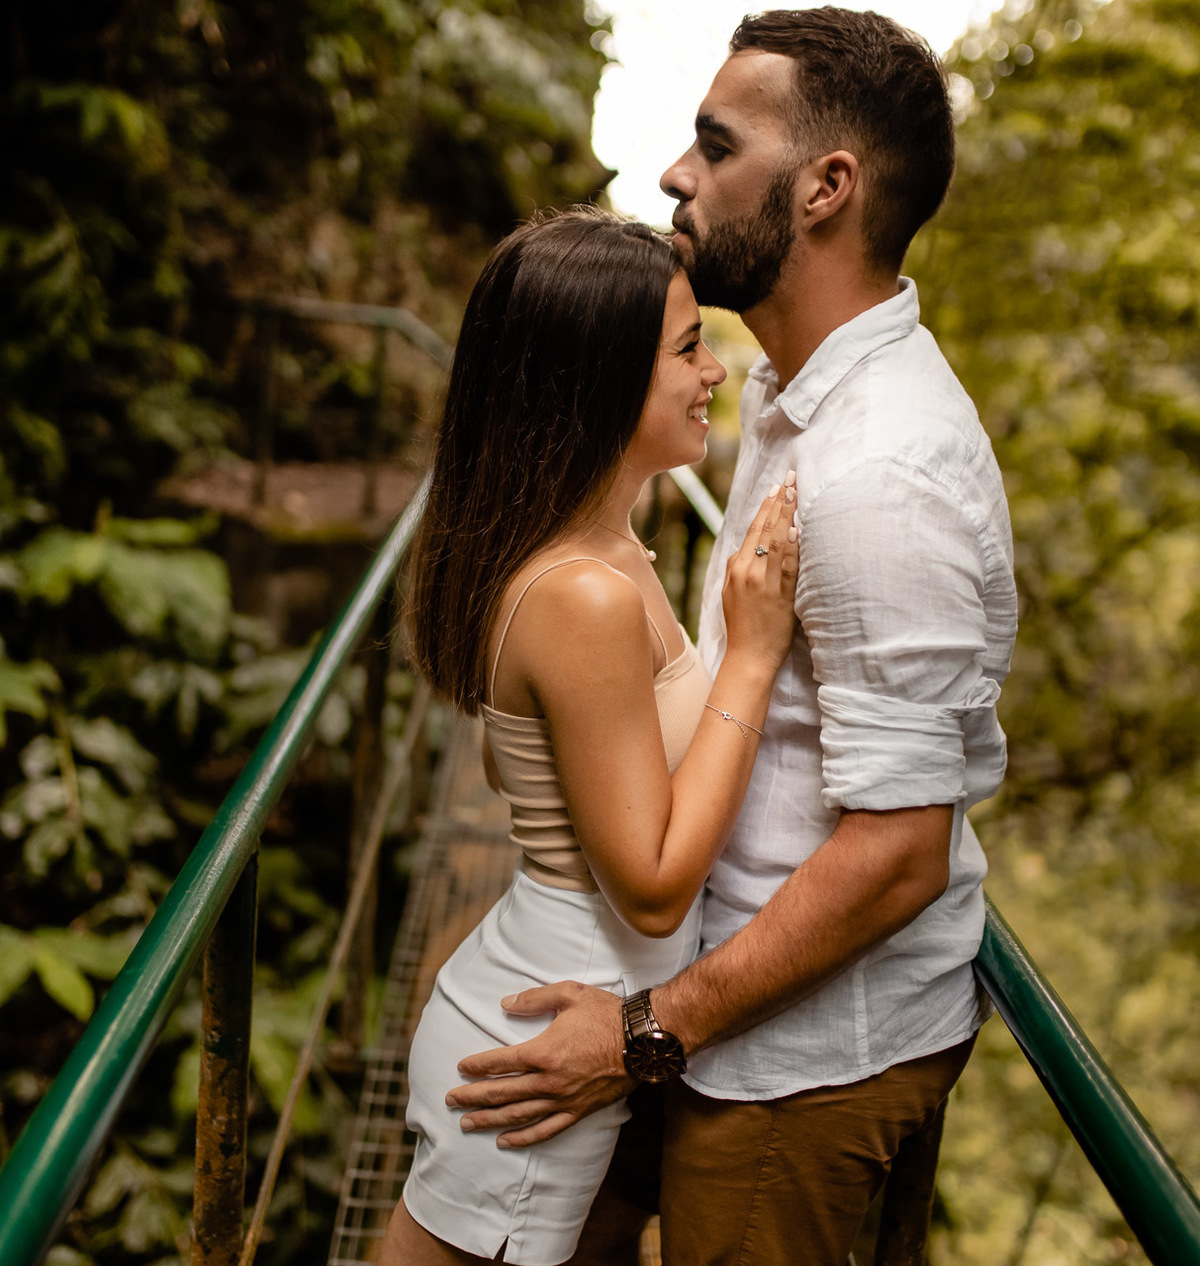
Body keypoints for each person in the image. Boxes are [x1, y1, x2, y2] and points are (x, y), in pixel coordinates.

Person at [444, 10, 1020, 1265]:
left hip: (787, 1064)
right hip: (702, 993)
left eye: (715, 143)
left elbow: (899, 854)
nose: (673, 174)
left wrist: (652, 1030)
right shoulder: (783, 388)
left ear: (827, 188)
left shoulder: (880, 471)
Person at [382, 206, 801, 1265]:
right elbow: (653, 882)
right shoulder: (580, 595)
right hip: (534, 1062)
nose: (715, 371)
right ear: (600, 379)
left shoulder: (601, 547)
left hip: (559, 1022)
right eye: (688, 346)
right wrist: (750, 655)